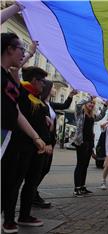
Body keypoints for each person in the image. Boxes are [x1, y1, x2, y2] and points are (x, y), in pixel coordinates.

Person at [1, 33, 46, 233]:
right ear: (9, 48)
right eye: (20, 48)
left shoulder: (9, 80)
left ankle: (16, 216)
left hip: (10, 138)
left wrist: (36, 137)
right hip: (11, 142)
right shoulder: (17, 85)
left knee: (12, 181)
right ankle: (9, 219)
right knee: (9, 183)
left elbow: (16, 112)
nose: (23, 53)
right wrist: (17, 7)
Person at [11, 66, 53, 229]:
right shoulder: (22, 93)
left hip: (38, 150)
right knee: (16, 182)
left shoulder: (37, 98)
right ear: (34, 81)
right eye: (42, 81)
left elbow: (40, 121)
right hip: (24, 147)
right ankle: (9, 217)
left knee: (31, 183)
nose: (44, 85)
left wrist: (46, 120)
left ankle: (24, 215)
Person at [33, 80, 77, 208]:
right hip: (43, 142)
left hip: (50, 142)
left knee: (45, 169)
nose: (54, 90)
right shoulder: (41, 104)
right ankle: (32, 194)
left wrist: (70, 95)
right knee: (39, 169)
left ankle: (33, 191)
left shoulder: (50, 104)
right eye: (52, 87)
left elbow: (64, 106)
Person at [73, 95, 108, 197]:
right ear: (86, 103)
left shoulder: (92, 116)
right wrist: (89, 97)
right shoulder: (80, 113)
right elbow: (78, 105)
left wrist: (105, 106)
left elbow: (101, 116)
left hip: (89, 143)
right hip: (81, 142)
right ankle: (76, 189)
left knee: (85, 165)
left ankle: (83, 187)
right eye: (90, 102)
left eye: (93, 103)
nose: (91, 104)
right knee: (80, 165)